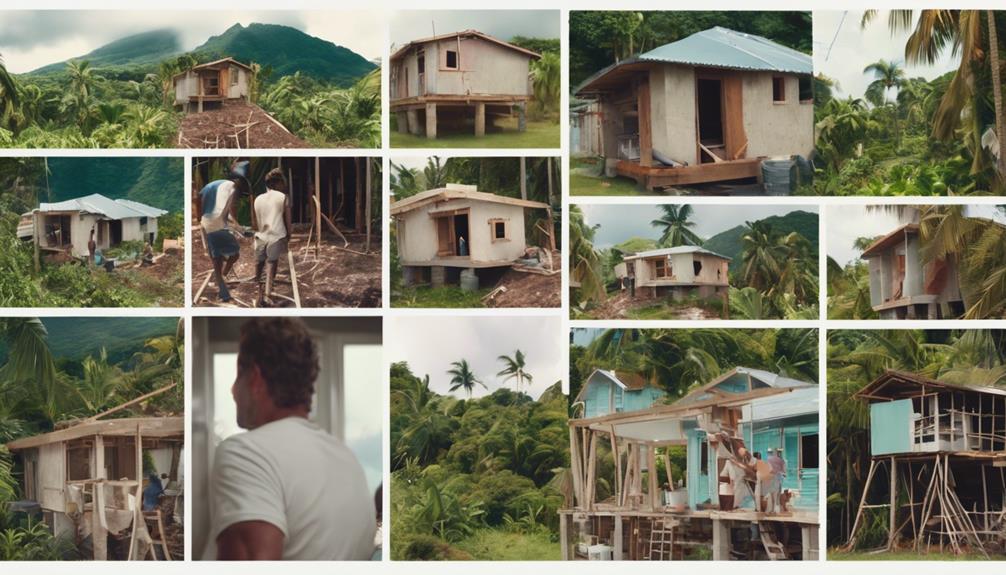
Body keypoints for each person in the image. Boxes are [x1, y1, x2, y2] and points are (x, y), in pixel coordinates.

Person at [209, 318, 375, 560]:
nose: (233, 390)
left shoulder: (246, 454)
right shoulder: (346, 458)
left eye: (238, 376)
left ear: (255, 379)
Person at [196, 161, 249, 303]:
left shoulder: (214, 184)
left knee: (219, 259)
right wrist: (239, 228)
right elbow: (229, 214)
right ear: (238, 180)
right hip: (215, 227)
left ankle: (222, 280)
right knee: (232, 255)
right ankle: (224, 294)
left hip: (207, 226)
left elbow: (198, 197)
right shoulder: (231, 189)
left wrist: (198, 217)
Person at [253, 169, 292, 307]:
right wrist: (289, 234)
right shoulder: (283, 197)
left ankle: (258, 288)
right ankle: (268, 292)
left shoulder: (258, 199)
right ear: (278, 183)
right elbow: (287, 219)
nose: (284, 186)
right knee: (271, 262)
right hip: (277, 235)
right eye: (283, 183)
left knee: (259, 262)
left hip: (260, 236)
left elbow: (255, 222)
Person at [767, 447, 786, 513]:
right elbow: (784, 471)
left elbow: (768, 469)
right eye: (779, 452)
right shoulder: (781, 460)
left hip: (771, 477)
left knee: (772, 494)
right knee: (778, 494)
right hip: (779, 478)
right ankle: (776, 509)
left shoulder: (769, 459)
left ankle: (772, 509)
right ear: (778, 453)